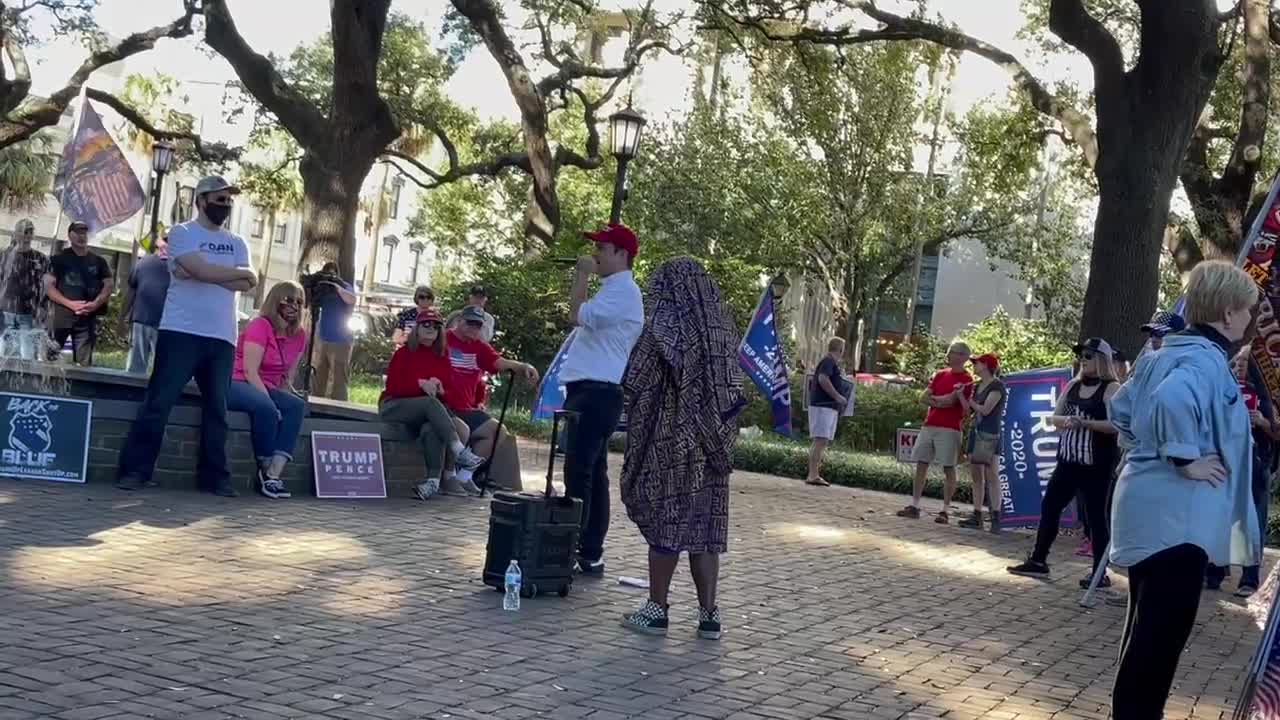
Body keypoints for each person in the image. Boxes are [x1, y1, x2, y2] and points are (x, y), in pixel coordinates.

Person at [1107, 260, 1260, 718]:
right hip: (1177, 521)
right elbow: (1172, 400)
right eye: (1249, 310)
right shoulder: (1201, 360)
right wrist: (1183, 458)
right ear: (1229, 312)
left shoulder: (1166, 353)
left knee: (1145, 637)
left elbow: (1122, 408)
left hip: (1153, 513)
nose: (1252, 319)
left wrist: (1157, 450)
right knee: (1158, 643)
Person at [619, 257, 745, 639]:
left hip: (669, 443)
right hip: (713, 448)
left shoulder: (660, 328)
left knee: (666, 523)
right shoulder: (721, 331)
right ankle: (709, 615)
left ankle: (656, 609)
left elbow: (635, 381)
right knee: (705, 530)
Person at [116, 176, 257, 496]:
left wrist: (204, 272)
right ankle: (135, 471)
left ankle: (215, 478)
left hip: (223, 336)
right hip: (180, 332)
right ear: (201, 200)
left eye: (229, 201)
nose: (225, 206)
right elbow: (221, 275)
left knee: (217, 410)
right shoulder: (182, 233)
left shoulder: (238, 242)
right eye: (219, 200)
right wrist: (231, 274)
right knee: (158, 403)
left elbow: (249, 281)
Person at [561, 223, 644, 576]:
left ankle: (580, 546)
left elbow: (574, 315)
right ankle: (588, 549)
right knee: (590, 472)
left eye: (603, 248)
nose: (595, 255)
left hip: (597, 391)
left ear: (622, 255)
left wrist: (581, 277)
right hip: (590, 390)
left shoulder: (622, 292)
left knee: (580, 472)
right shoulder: (613, 290)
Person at [1007, 337, 1119, 587]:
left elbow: (1116, 425)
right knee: (1050, 507)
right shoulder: (1073, 385)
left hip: (1096, 464)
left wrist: (1086, 423)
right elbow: (1055, 417)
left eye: (1089, 356)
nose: (1083, 360)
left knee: (1096, 518)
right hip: (1068, 461)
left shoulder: (1112, 389)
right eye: (1081, 355)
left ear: (1101, 360)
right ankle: (1038, 560)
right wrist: (1066, 422)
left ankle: (1099, 572)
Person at [380, 308, 487, 500]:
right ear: (417, 328)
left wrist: (441, 389)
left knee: (432, 428)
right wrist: (420, 384)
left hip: (425, 412)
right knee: (430, 403)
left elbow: (449, 392)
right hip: (394, 405)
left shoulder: (442, 356)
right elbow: (393, 387)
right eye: (426, 325)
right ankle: (459, 450)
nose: (431, 329)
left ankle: (432, 482)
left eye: (436, 326)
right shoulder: (404, 353)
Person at [1205, 345, 1278, 596]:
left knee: (1253, 521)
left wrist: (1262, 421)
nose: (1238, 367)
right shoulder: (1224, 389)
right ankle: (1214, 572)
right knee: (1218, 517)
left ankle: (1249, 579)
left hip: (1257, 465)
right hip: (1226, 462)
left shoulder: (1271, 394)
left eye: (1245, 362)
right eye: (1235, 362)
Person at [227, 281, 309, 499]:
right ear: (276, 301)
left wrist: (282, 401)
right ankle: (264, 465)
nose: (294, 306)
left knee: (296, 406)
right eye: (289, 300)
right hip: (238, 381)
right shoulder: (260, 325)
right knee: (267, 409)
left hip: (268, 386)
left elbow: (287, 377)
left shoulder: (300, 335)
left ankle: (273, 474)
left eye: (299, 302)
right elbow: (249, 371)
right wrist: (272, 405)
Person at [445, 305, 539, 488]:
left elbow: (499, 362)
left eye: (478, 325)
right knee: (459, 429)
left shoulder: (480, 346)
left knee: (497, 431)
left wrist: (523, 367)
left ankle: (465, 476)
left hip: (466, 407)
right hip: (443, 404)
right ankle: (447, 477)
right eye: (470, 322)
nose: (473, 328)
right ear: (460, 321)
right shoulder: (443, 339)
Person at [897, 341, 973, 523]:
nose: (948, 355)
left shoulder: (966, 379)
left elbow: (950, 401)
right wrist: (939, 401)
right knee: (921, 464)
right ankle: (914, 505)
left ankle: (945, 511)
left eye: (952, 352)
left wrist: (936, 400)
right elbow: (923, 397)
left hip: (950, 428)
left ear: (963, 356)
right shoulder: (940, 374)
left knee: (948, 467)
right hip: (929, 425)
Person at [44, 220, 112, 366]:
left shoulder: (99, 261)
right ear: (70, 235)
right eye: (78, 232)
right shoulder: (58, 259)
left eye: (84, 232)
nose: (82, 236)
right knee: (49, 360)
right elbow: (48, 287)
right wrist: (70, 304)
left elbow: (108, 285)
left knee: (84, 365)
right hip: (60, 319)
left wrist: (96, 304)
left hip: (86, 321)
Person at [958, 353, 1005, 532]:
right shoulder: (977, 386)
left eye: (976, 363)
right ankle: (977, 515)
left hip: (989, 434)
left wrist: (970, 400)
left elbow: (985, 410)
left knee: (991, 474)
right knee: (976, 474)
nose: (974, 366)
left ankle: (995, 517)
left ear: (986, 365)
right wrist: (961, 395)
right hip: (976, 432)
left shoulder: (997, 386)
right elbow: (969, 410)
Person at [121, 232, 171, 374]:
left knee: (163, 369)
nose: (168, 244)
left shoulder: (180, 267)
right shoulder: (143, 263)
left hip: (167, 325)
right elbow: (131, 292)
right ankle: (131, 394)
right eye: (166, 240)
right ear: (159, 242)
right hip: (140, 321)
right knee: (136, 368)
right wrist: (122, 317)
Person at [806, 337, 851, 487]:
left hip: (828, 407)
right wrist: (837, 396)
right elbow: (822, 379)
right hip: (823, 405)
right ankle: (813, 475)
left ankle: (815, 473)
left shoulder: (831, 363)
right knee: (820, 439)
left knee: (822, 440)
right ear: (840, 349)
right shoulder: (828, 361)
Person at [1, 219, 49, 360]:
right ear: (15, 233)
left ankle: (25, 381)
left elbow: (46, 285)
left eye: (29, 231)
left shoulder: (40, 258)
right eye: (22, 231)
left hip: (28, 313)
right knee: (3, 352)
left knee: (27, 354)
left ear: (32, 235)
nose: (25, 235)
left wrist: (42, 306)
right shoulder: (4, 255)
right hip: (4, 312)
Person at [312, 261, 357, 401]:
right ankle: (317, 401)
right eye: (327, 273)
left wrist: (336, 286)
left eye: (332, 273)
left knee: (338, 376)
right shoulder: (323, 290)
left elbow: (351, 300)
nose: (330, 276)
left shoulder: (344, 286)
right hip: (323, 337)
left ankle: (339, 404)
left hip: (341, 339)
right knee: (320, 375)